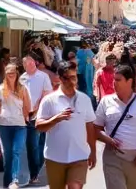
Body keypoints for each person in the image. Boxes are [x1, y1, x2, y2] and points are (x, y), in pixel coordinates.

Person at [36, 61, 98, 189]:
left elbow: (90, 127)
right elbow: (39, 126)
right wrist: (56, 119)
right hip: (55, 157)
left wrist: (93, 151)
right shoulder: (49, 100)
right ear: (59, 78)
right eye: (66, 78)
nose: (71, 81)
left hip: (79, 156)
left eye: (73, 77)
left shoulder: (84, 99)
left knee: (75, 186)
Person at [94, 64, 136, 189]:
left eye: (118, 80)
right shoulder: (106, 101)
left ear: (129, 81)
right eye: (113, 79)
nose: (114, 83)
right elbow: (96, 129)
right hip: (112, 157)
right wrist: (108, 140)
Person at [0, 60, 31, 189]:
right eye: (8, 73)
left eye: (13, 73)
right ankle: (6, 183)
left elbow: (27, 106)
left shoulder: (22, 89)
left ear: (17, 74)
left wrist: (25, 118)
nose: (11, 75)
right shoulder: (1, 89)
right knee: (7, 155)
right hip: (4, 126)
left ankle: (15, 180)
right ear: (5, 74)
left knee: (16, 151)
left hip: (20, 126)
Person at [22, 51, 53, 185]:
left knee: (39, 143)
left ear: (35, 63)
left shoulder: (43, 77)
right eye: (26, 62)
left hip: (40, 114)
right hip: (27, 116)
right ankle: (34, 172)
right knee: (32, 145)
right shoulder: (21, 78)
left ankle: (37, 167)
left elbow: (47, 95)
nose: (29, 64)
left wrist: (36, 108)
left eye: (31, 61)